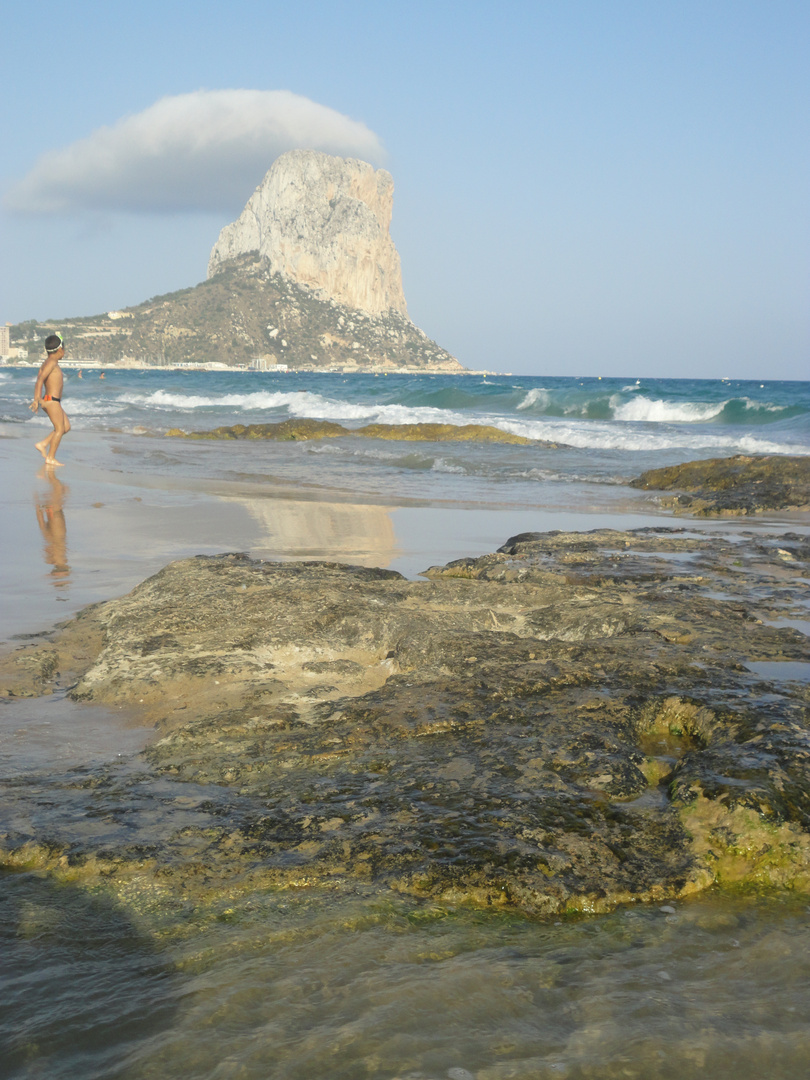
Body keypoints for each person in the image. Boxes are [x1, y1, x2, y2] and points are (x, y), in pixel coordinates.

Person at [30, 333, 71, 466]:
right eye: (64, 349)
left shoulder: (49, 362)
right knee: (59, 429)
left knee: (66, 427)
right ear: (60, 350)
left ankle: (43, 444)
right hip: (51, 401)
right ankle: (50, 458)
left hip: (53, 401)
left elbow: (39, 377)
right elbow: (39, 380)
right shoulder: (52, 363)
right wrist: (36, 399)